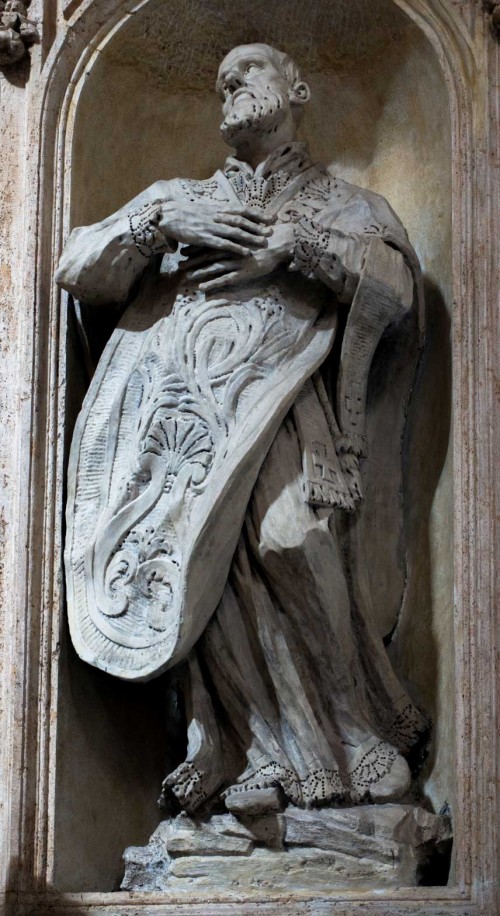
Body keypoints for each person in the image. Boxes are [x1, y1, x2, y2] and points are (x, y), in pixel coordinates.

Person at [57, 43, 428, 816]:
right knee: (204, 579)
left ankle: (354, 729)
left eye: (249, 69)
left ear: (297, 89)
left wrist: (298, 247)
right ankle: (257, 749)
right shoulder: (180, 198)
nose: (229, 81)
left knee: (293, 541)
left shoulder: (341, 204)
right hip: (184, 441)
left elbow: (394, 285)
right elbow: (78, 266)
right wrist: (158, 222)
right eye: (220, 77)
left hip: (287, 418)